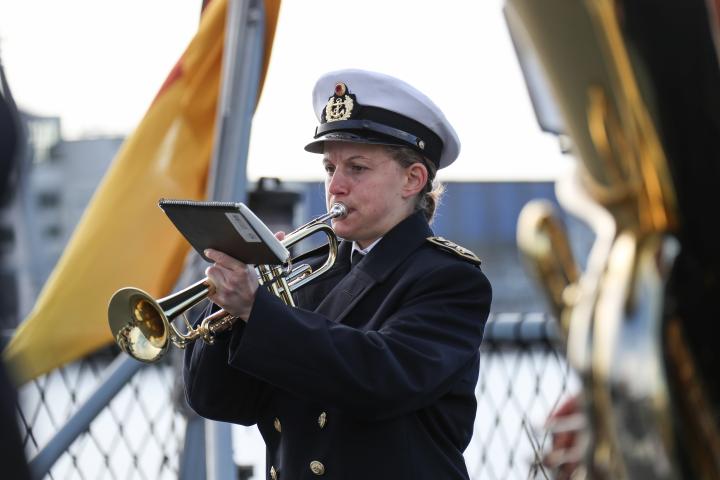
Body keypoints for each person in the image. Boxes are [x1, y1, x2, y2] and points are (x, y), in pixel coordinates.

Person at [184, 69, 492, 479]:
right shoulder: (308, 272)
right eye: (330, 168)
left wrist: (258, 310)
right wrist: (226, 307)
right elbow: (218, 401)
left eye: (357, 168)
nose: (336, 186)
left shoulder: (449, 279)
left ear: (412, 179)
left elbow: (380, 378)